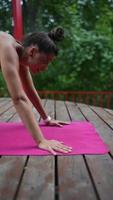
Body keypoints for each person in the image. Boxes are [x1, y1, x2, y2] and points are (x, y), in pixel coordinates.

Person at [0, 27, 72, 155]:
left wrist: (47, 118)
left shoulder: (20, 55)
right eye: (45, 61)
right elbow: (19, 98)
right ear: (32, 52)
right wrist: (41, 140)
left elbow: (29, 90)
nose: (45, 68)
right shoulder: (8, 48)